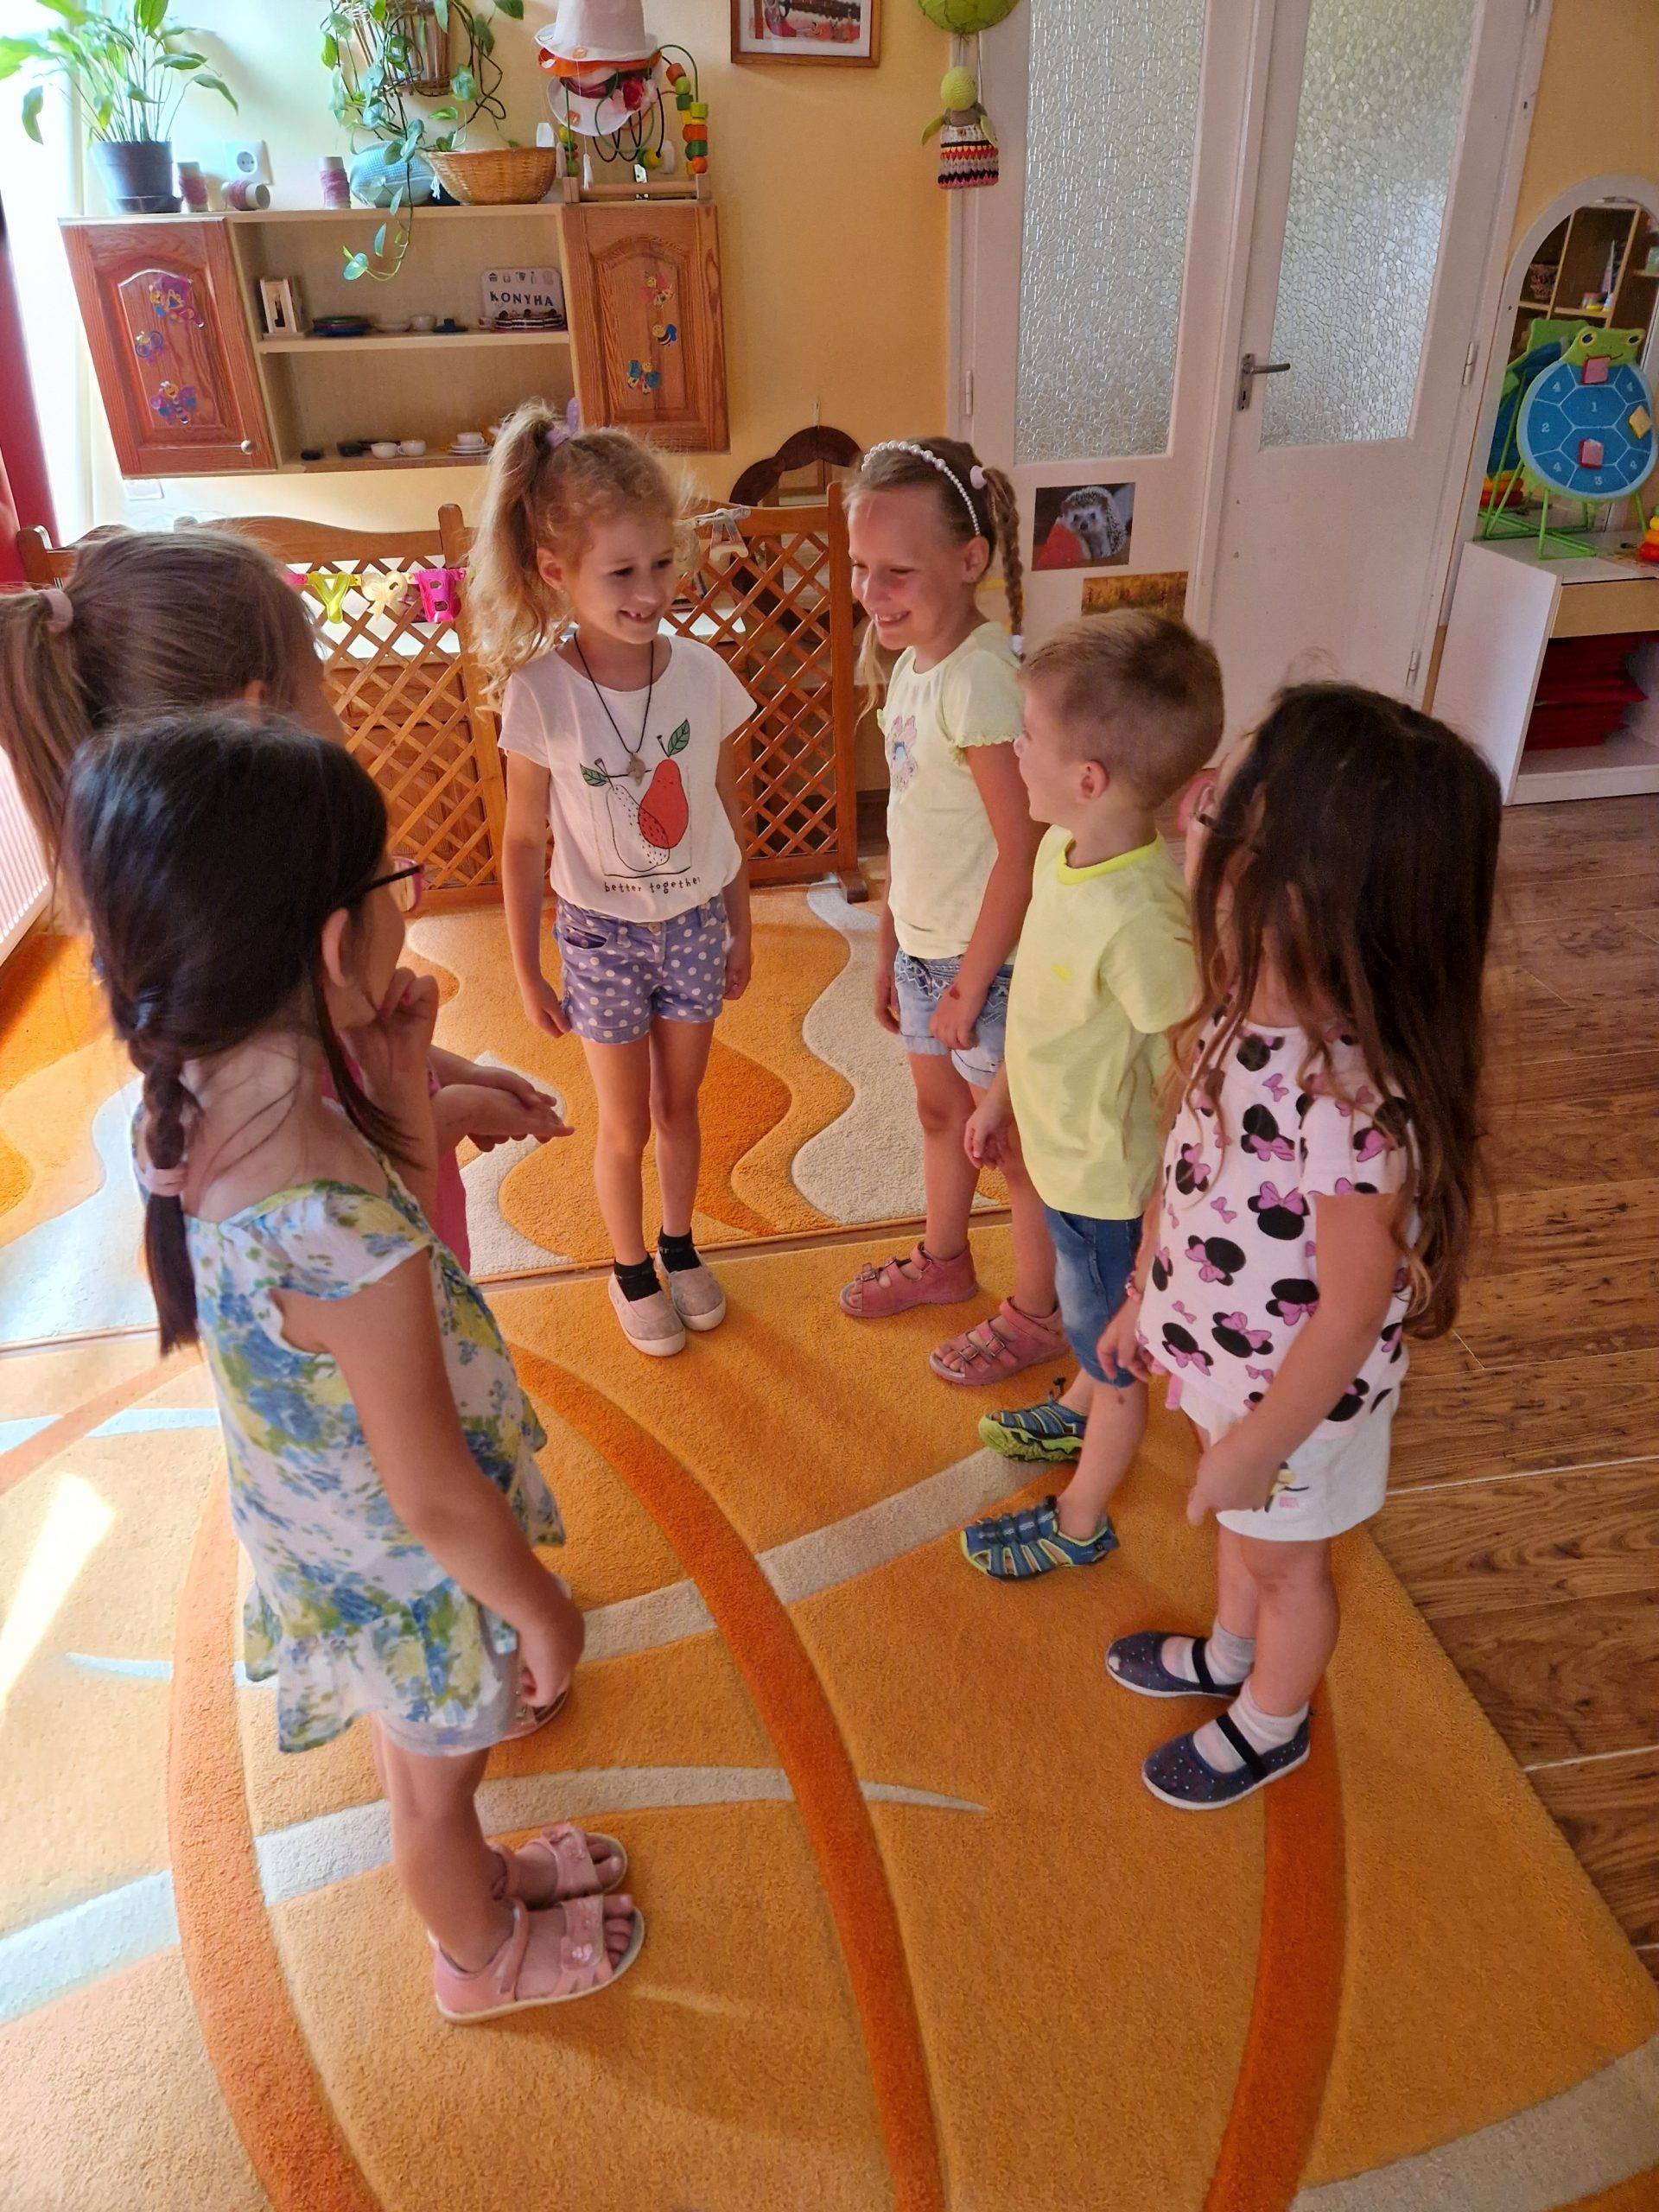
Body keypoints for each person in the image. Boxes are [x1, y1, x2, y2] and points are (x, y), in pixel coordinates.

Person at [65, 709, 645, 2016]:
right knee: (435, 1794)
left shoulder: (189, 1107)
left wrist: (400, 1077)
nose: (405, 903)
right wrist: (544, 1611)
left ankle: (478, 1883)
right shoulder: (343, 1244)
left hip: (325, 1536)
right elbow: (435, 1492)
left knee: (416, 1755)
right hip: (410, 1562)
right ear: (338, 944)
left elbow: (390, 1193)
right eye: (396, 883)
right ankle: (478, 1955)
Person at [1104, 685, 1502, 1808]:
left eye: (1223, 809)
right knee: (1243, 1536)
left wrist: (1263, 1444)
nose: (1196, 809)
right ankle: (1232, 1655)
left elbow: (1350, 1311)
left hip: (1295, 1405)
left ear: (1304, 893)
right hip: (1228, 1367)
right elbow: (1189, 1173)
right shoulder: (1243, 1010)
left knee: (1285, 1562)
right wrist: (1145, 1298)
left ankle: (1271, 1722)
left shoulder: (1351, 1103)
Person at [0, 531, 564, 1271]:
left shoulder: (207, 915)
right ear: (259, 714)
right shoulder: (278, 951)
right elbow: (371, 1233)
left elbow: (346, 1037)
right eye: (322, 687)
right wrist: (450, 1113)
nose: (341, 718)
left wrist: (446, 1072)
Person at [471, 407, 754, 1358]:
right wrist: (525, 967)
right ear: (556, 571)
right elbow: (522, 841)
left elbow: (725, 810)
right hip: (600, 938)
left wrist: (741, 924)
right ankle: (630, 1266)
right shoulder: (539, 693)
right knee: (625, 1121)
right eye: (621, 572)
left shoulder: (704, 675)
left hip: (695, 924)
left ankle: (678, 1244)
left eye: (662, 565)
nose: (650, 592)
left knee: (682, 1107)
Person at [958, 613, 1222, 1575]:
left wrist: (1170, 1200)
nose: (1013, 746)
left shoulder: (1141, 919)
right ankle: (1076, 1408)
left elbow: (1195, 1054)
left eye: (1027, 733)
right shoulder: (1059, 849)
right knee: (1084, 1318)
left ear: (1089, 778)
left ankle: (1081, 1520)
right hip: (1062, 1160)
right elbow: (1041, 1003)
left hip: (1109, 1187)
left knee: (1115, 1355)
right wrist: (1001, 1097)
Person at [836, 436, 1063, 1386]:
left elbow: (1022, 848)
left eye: (897, 570)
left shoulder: (978, 677)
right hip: (930, 955)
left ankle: (1040, 1311)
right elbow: (913, 823)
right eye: (861, 567)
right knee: (940, 1115)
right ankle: (945, 1259)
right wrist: (890, 944)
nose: (872, 591)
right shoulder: (914, 666)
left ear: (970, 561)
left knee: (1010, 1145)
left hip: (989, 967)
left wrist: (971, 980)